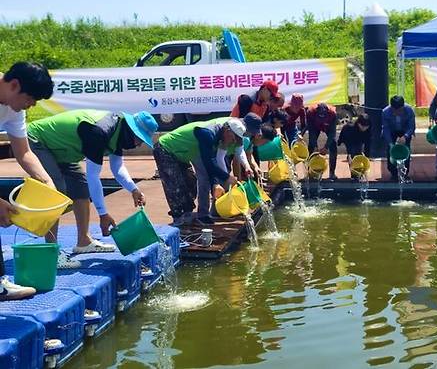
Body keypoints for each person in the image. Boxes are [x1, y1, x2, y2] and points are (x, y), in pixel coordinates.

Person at [27, 109, 158, 267]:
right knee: (55, 190)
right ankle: (51, 252)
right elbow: (93, 176)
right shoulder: (100, 131)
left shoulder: (118, 132)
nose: (139, 144)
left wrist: (134, 189)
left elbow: (118, 169)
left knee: (80, 185)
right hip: (38, 140)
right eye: (139, 138)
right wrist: (103, 214)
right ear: (130, 131)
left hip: (60, 149)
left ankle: (84, 241)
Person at [0, 62, 55, 300]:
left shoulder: (14, 107)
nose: (31, 105)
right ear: (14, 85)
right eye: (31, 99)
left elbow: (23, 152)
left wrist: (45, 180)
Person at [154, 114, 262, 226]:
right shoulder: (207, 134)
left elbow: (217, 160)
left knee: (191, 183)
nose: (233, 142)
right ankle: (182, 219)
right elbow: (210, 164)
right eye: (233, 138)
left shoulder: (229, 133)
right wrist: (225, 177)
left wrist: (221, 180)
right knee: (176, 186)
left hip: (188, 152)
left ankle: (193, 215)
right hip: (167, 149)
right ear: (227, 131)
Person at [382, 95, 416, 181]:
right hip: (392, 132)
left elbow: (411, 127)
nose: (397, 112)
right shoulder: (385, 112)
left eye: (400, 110)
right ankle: (393, 173)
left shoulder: (409, 110)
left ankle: (405, 172)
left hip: (404, 132)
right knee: (390, 151)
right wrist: (391, 144)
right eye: (395, 110)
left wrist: (405, 136)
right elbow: (386, 129)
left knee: (406, 151)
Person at [306, 103, 338, 181]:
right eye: (320, 116)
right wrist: (315, 146)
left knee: (333, 144)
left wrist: (326, 147)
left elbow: (332, 133)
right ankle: (311, 171)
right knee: (311, 146)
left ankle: (332, 172)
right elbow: (311, 132)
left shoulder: (333, 114)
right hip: (315, 126)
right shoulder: (310, 112)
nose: (322, 118)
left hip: (328, 125)